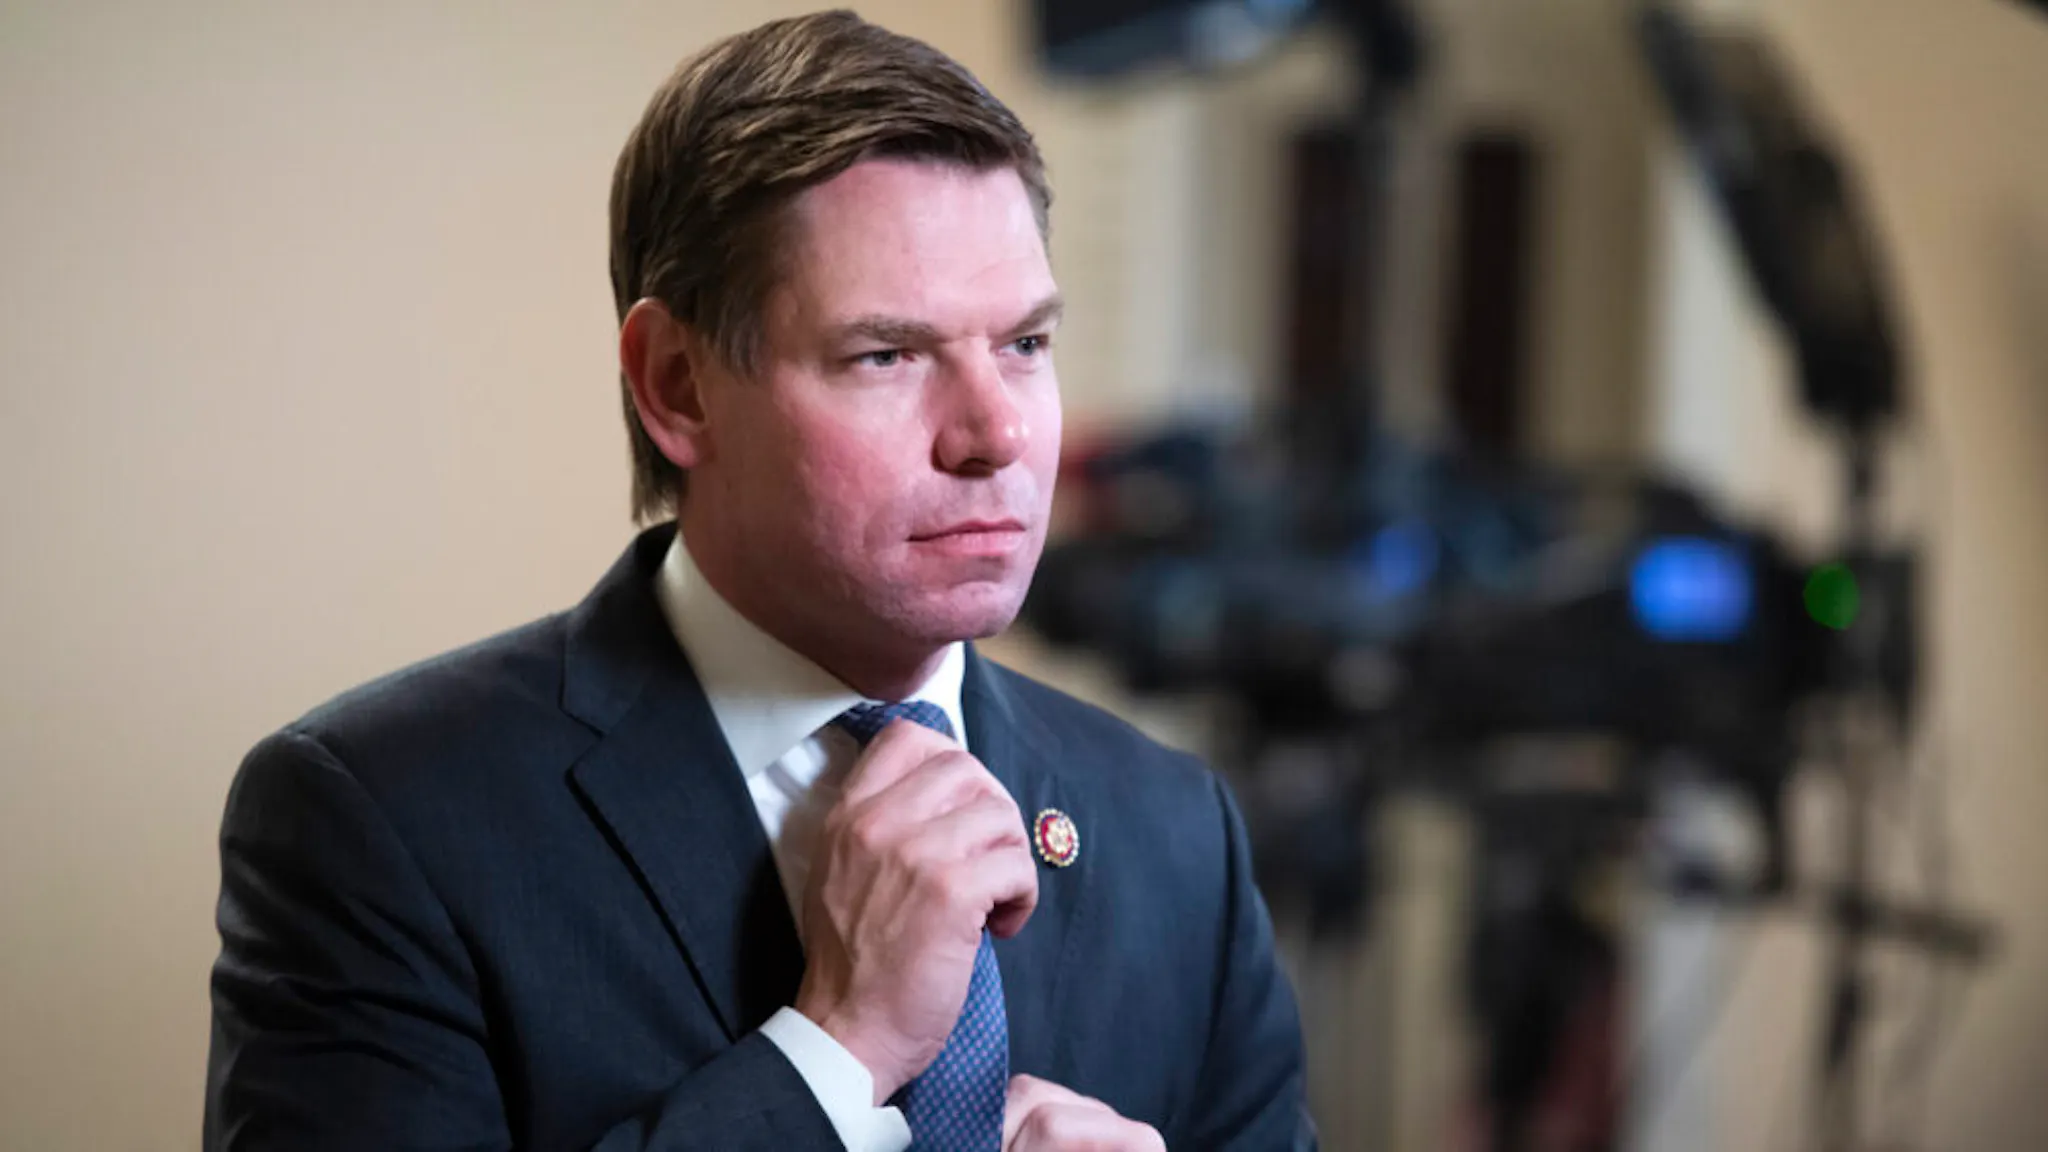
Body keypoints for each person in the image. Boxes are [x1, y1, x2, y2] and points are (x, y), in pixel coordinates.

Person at [203, 11, 1313, 1150]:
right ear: (676, 384)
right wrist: (837, 1052)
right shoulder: (380, 820)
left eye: (1024, 345)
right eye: (886, 355)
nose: (995, 435)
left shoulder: (1178, 836)